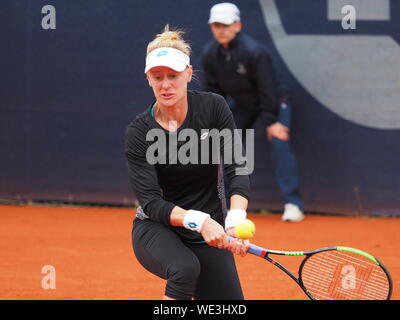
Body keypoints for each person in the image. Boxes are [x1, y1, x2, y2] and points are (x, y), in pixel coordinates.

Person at [125, 25, 252, 300]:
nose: (166, 84)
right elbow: (152, 203)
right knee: (184, 268)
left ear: (189, 74)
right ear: (148, 79)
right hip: (157, 228)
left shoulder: (214, 108)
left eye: (173, 75)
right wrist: (200, 221)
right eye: (157, 77)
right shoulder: (139, 133)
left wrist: (235, 219)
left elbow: (238, 168)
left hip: (210, 231)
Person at [201, 2, 305, 222]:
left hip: (275, 101)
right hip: (244, 105)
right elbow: (213, 92)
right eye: (216, 25)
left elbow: (267, 90)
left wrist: (272, 121)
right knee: (225, 145)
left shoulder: (254, 51)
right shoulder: (210, 54)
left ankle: (293, 204)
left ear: (237, 25)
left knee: (279, 141)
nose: (221, 29)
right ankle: (225, 207)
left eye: (226, 25)